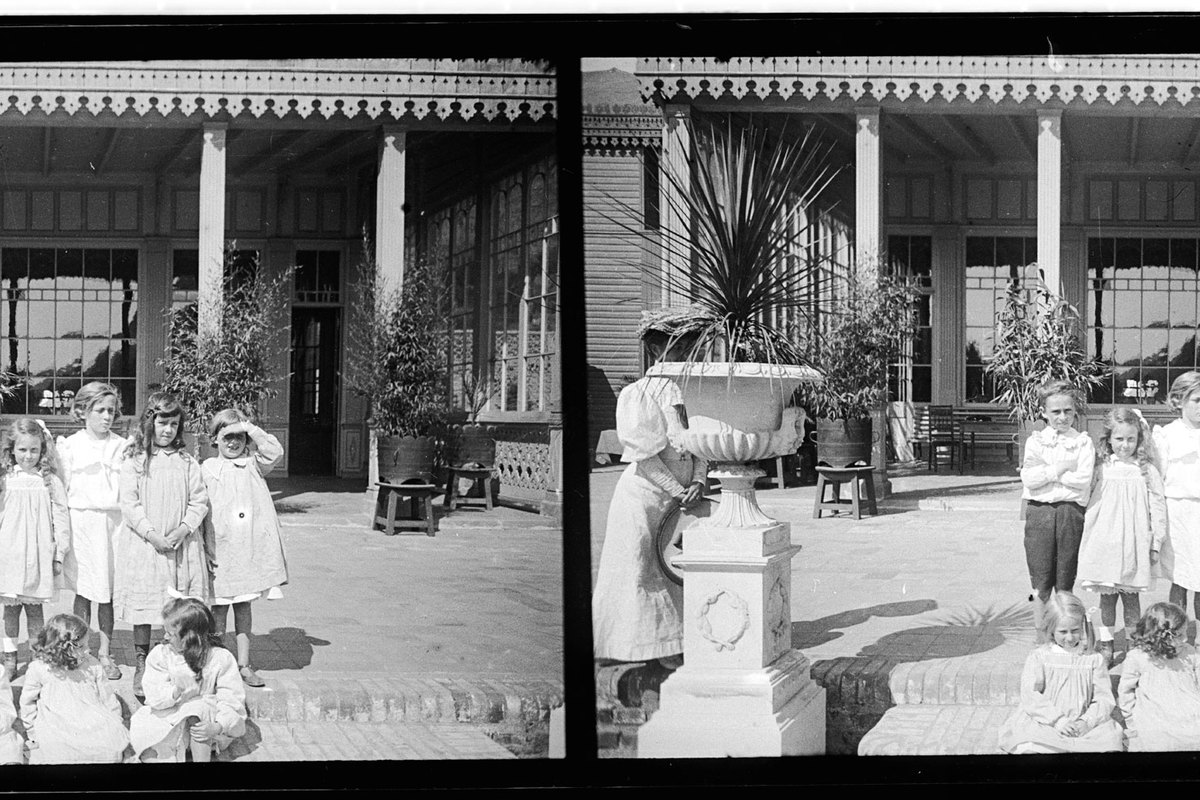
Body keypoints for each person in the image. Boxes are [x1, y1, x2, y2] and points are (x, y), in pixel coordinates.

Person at [592, 330, 707, 667]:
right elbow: (645, 456)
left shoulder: (692, 390)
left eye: (690, 347)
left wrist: (698, 480)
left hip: (680, 500)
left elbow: (702, 442)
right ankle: (630, 647)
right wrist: (678, 489)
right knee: (639, 568)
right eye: (678, 347)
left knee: (674, 569)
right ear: (656, 349)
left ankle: (673, 644)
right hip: (644, 497)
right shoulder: (639, 392)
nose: (686, 353)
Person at [114, 393, 209, 701]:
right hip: (147, 545)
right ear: (150, 422)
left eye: (173, 424)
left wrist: (184, 528)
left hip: (180, 545)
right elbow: (129, 503)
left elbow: (199, 501)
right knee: (146, 605)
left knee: (178, 605)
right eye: (162, 422)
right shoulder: (136, 461)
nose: (167, 430)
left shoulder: (186, 461)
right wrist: (151, 533)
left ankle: (179, 658)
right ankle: (142, 660)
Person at [201, 409, 288, 688]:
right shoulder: (207, 469)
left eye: (239, 437)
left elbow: (274, 451)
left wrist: (249, 427)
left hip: (246, 549)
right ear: (215, 439)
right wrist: (204, 547)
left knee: (243, 607)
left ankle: (243, 664)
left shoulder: (253, 465)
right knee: (217, 610)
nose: (233, 443)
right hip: (220, 547)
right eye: (226, 437)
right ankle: (215, 665)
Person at [1076, 407, 1166, 666]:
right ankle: (1106, 645)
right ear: (1108, 439)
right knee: (1106, 597)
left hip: (1133, 545)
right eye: (1119, 439)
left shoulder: (1146, 471)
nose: (1124, 445)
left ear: (1139, 439)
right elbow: (1087, 500)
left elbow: (1158, 507)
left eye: (1130, 439)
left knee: (1131, 598)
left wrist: (1156, 541)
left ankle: (1132, 644)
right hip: (1105, 542)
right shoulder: (1101, 468)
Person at [56, 382, 127, 681]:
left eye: (111, 411)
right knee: (84, 591)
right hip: (82, 523)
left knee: (107, 593)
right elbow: (62, 490)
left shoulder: (122, 446)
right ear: (83, 411)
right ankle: (78, 649)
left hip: (113, 524)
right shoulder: (70, 446)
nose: (107, 416)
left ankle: (105, 652)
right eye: (100, 410)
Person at [997, 591, 1123, 754]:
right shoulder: (1040, 657)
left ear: (1083, 627)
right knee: (1031, 743)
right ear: (1051, 629)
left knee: (1109, 744)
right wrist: (1058, 721)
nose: (1070, 638)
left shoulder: (1093, 659)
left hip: (1082, 722)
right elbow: (1031, 695)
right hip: (1048, 721)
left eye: (1075, 630)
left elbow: (1103, 697)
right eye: (1063, 632)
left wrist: (1087, 721)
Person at [1019, 380, 1096, 641]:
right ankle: (1042, 639)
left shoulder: (1083, 443)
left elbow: (1082, 481)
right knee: (1040, 584)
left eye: (1068, 411)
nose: (1062, 417)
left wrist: (1048, 477)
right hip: (1039, 514)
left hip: (1070, 515)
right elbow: (1030, 481)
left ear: (1075, 412)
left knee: (1064, 581)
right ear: (1044, 412)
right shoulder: (1036, 442)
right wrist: (1060, 469)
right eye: (1056, 412)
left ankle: (1067, 636)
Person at [129, 598, 246, 763]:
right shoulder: (161, 655)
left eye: (171, 634)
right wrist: (174, 691)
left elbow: (232, 700)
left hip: (206, 725)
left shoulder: (220, 658)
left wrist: (218, 726)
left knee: (196, 708)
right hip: (169, 717)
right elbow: (153, 694)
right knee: (150, 749)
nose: (165, 637)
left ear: (191, 638)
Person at [0, 418, 69, 680]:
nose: (28, 456)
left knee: (35, 610)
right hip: (9, 554)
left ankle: (36, 657)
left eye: (34, 450)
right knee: (10, 610)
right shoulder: (5, 480)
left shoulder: (49, 482)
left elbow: (61, 518)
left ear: (42, 450)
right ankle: (9, 659)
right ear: (11, 450)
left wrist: (59, 553)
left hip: (38, 556)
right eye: (22, 450)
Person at [19, 613, 129, 764]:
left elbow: (108, 698)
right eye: (83, 646)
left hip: (91, 718)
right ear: (62, 648)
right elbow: (27, 703)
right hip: (57, 721)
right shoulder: (40, 668)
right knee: (57, 752)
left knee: (107, 748)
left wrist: (115, 722)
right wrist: (32, 732)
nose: (88, 650)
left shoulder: (92, 665)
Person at [1153, 371, 1200, 636]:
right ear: (1179, 401)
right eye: (1196, 400)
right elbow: (1157, 479)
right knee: (1180, 578)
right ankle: (1175, 636)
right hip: (1178, 514)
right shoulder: (1168, 435)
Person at [1117, 601, 1200, 751]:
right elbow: (1125, 691)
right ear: (1160, 636)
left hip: (1189, 707)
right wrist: (1131, 721)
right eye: (1179, 635)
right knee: (1158, 738)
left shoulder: (1189, 652)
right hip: (1155, 710)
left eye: (1185, 633)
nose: (1186, 639)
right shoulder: (1138, 657)